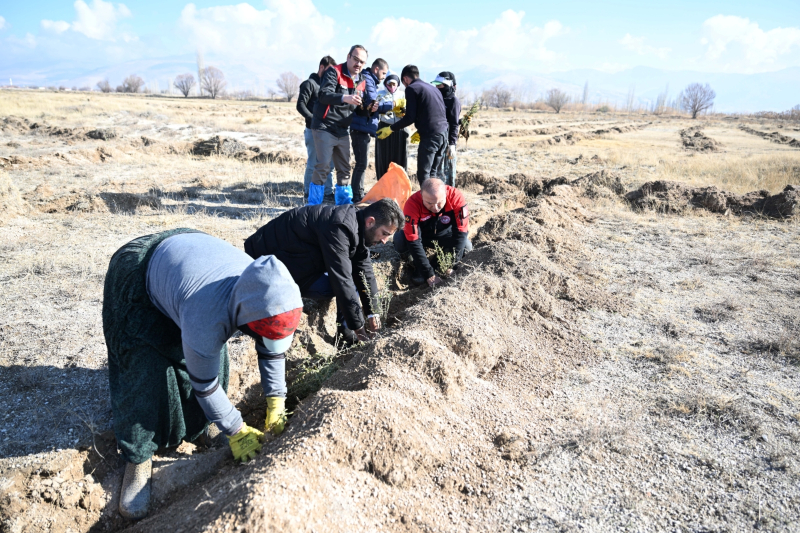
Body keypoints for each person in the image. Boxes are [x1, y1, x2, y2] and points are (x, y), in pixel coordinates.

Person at [102, 230, 303, 520]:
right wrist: (236, 429)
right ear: (246, 315)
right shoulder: (208, 312)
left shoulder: (267, 291)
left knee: (213, 361)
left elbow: (272, 351)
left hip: (186, 259)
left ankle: (201, 426)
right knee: (143, 374)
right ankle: (138, 457)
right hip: (139, 272)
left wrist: (277, 401)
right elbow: (205, 385)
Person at [244, 199, 404, 343]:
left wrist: (373, 313)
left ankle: (346, 333)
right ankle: (347, 335)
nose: (385, 241)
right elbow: (342, 280)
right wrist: (361, 331)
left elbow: (365, 271)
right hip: (268, 260)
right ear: (370, 222)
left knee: (354, 278)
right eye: (384, 234)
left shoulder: (358, 224)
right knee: (339, 285)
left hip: (297, 255)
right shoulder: (340, 227)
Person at [309, 45, 368, 206]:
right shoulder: (333, 72)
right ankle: (313, 206)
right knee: (323, 166)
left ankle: (343, 206)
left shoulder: (361, 80)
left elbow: (360, 108)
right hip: (324, 126)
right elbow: (323, 95)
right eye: (355, 59)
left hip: (342, 129)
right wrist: (344, 98)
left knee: (344, 168)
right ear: (348, 57)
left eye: (362, 62)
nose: (358, 64)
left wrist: (370, 107)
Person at [377, 65, 448, 186]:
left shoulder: (412, 88)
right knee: (433, 173)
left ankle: (426, 198)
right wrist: (421, 127)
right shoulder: (433, 88)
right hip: (443, 134)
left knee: (424, 174)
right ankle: (437, 197)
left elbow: (410, 118)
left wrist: (390, 129)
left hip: (430, 136)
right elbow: (432, 111)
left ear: (405, 79)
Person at [393, 178, 472, 287]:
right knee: (399, 239)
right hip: (423, 237)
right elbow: (413, 240)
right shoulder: (412, 204)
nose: (435, 207)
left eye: (439, 202)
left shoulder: (456, 197)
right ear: (421, 196)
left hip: (445, 235)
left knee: (467, 246)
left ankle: (438, 260)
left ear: (446, 194)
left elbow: (461, 234)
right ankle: (412, 263)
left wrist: (451, 265)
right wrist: (428, 274)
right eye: (429, 203)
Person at [349, 58, 394, 202]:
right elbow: (373, 105)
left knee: (361, 163)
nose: (384, 77)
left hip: (363, 127)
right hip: (360, 127)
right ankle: (357, 195)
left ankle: (358, 193)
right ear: (376, 69)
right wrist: (391, 105)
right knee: (361, 163)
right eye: (384, 73)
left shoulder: (370, 81)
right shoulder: (368, 80)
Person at [297, 56, 336, 203]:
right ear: (321, 67)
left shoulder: (327, 86)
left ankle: (327, 192)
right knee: (313, 162)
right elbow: (300, 105)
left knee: (328, 164)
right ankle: (308, 193)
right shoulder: (309, 84)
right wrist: (314, 120)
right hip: (313, 130)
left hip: (328, 132)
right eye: (329, 70)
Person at [375, 73, 409, 181]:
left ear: (398, 84)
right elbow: (375, 109)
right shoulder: (380, 94)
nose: (392, 86)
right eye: (389, 84)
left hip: (399, 127)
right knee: (384, 156)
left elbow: (410, 109)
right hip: (384, 126)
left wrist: (403, 112)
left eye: (394, 84)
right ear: (385, 84)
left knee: (400, 156)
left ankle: (400, 183)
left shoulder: (403, 95)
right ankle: (384, 182)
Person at [431, 72, 461, 187]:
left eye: (440, 85)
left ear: (448, 85)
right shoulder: (436, 99)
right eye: (436, 85)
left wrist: (452, 144)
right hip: (435, 140)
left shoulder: (453, 101)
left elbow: (454, 124)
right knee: (435, 172)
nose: (437, 87)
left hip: (447, 142)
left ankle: (447, 195)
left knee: (445, 172)